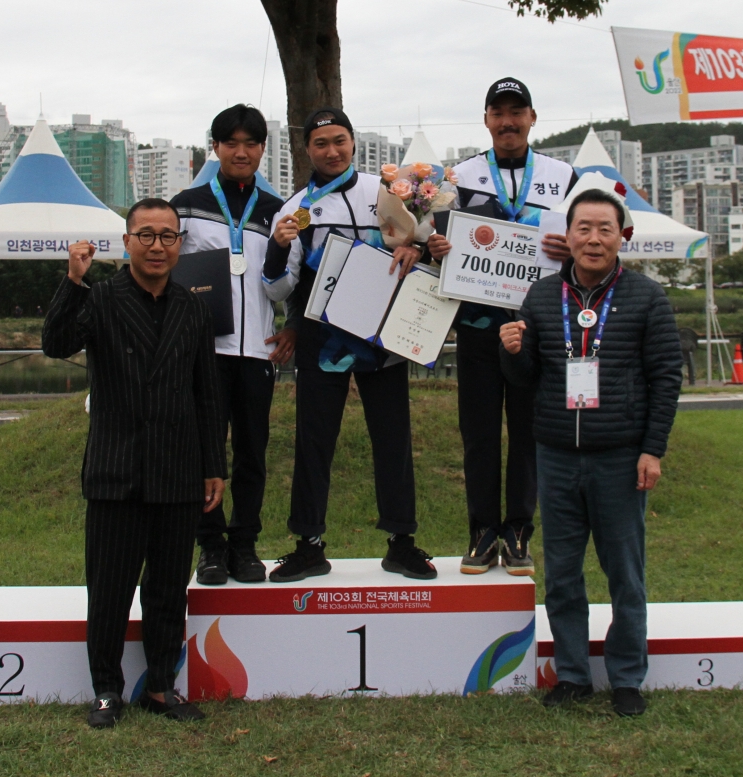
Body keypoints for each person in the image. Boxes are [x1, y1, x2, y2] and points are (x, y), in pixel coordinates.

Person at [499, 188, 682, 718]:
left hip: (620, 457)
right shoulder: (540, 297)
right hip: (555, 455)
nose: (594, 239)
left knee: (625, 573)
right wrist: (512, 352)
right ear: (568, 236)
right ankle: (573, 675)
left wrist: (652, 450)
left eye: (605, 229)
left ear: (623, 236)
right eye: (584, 228)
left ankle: (626, 677)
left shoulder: (647, 297)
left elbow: (666, 378)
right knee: (561, 573)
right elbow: (526, 379)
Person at [42, 200, 225, 726]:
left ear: (180, 245)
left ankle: (162, 686)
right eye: (146, 235)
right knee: (110, 589)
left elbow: (207, 394)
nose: (157, 246)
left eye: (168, 236)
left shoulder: (193, 307)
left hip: (178, 468)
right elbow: (55, 343)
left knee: (168, 587)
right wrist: (73, 281)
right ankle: (106, 690)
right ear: (127, 242)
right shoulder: (100, 298)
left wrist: (214, 464)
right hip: (116, 467)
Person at [261, 107, 435, 583]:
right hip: (323, 339)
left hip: (382, 334)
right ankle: (308, 545)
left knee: (393, 439)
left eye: (339, 140)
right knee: (314, 441)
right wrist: (279, 246)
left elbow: (423, 246)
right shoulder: (295, 208)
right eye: (321, 143)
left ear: (353, 143)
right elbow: (278, 288)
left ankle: (402, 543)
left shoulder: (387, 192)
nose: (332, 151)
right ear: (307, 150)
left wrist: (415, 246)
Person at [425, 78, 574, 576]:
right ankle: (483, 530)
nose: (508, 122)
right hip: (478, 324)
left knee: (529, 432)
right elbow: (437, 241)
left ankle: (519, 530)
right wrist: (435, 247)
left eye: (517, 111)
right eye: (498, 112)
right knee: (479, 433)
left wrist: (572, 248)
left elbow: (590, 239)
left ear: (532, 117)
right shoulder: (458, 177)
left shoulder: (563, 176)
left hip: (539, 326)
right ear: (486, 119)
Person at [170, 104, 292, 586]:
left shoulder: (278, 210)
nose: (241, 152)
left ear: (262, 149)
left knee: (252, 453)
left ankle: (245, 544)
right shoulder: (187, 204)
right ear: (216, 147)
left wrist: (279, 252)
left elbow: (282, 287)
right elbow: (166, 272)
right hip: (203, 353)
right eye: (231, 143)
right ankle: (211, 547)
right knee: (204, 453)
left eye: (251, 143)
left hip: (257, 352)